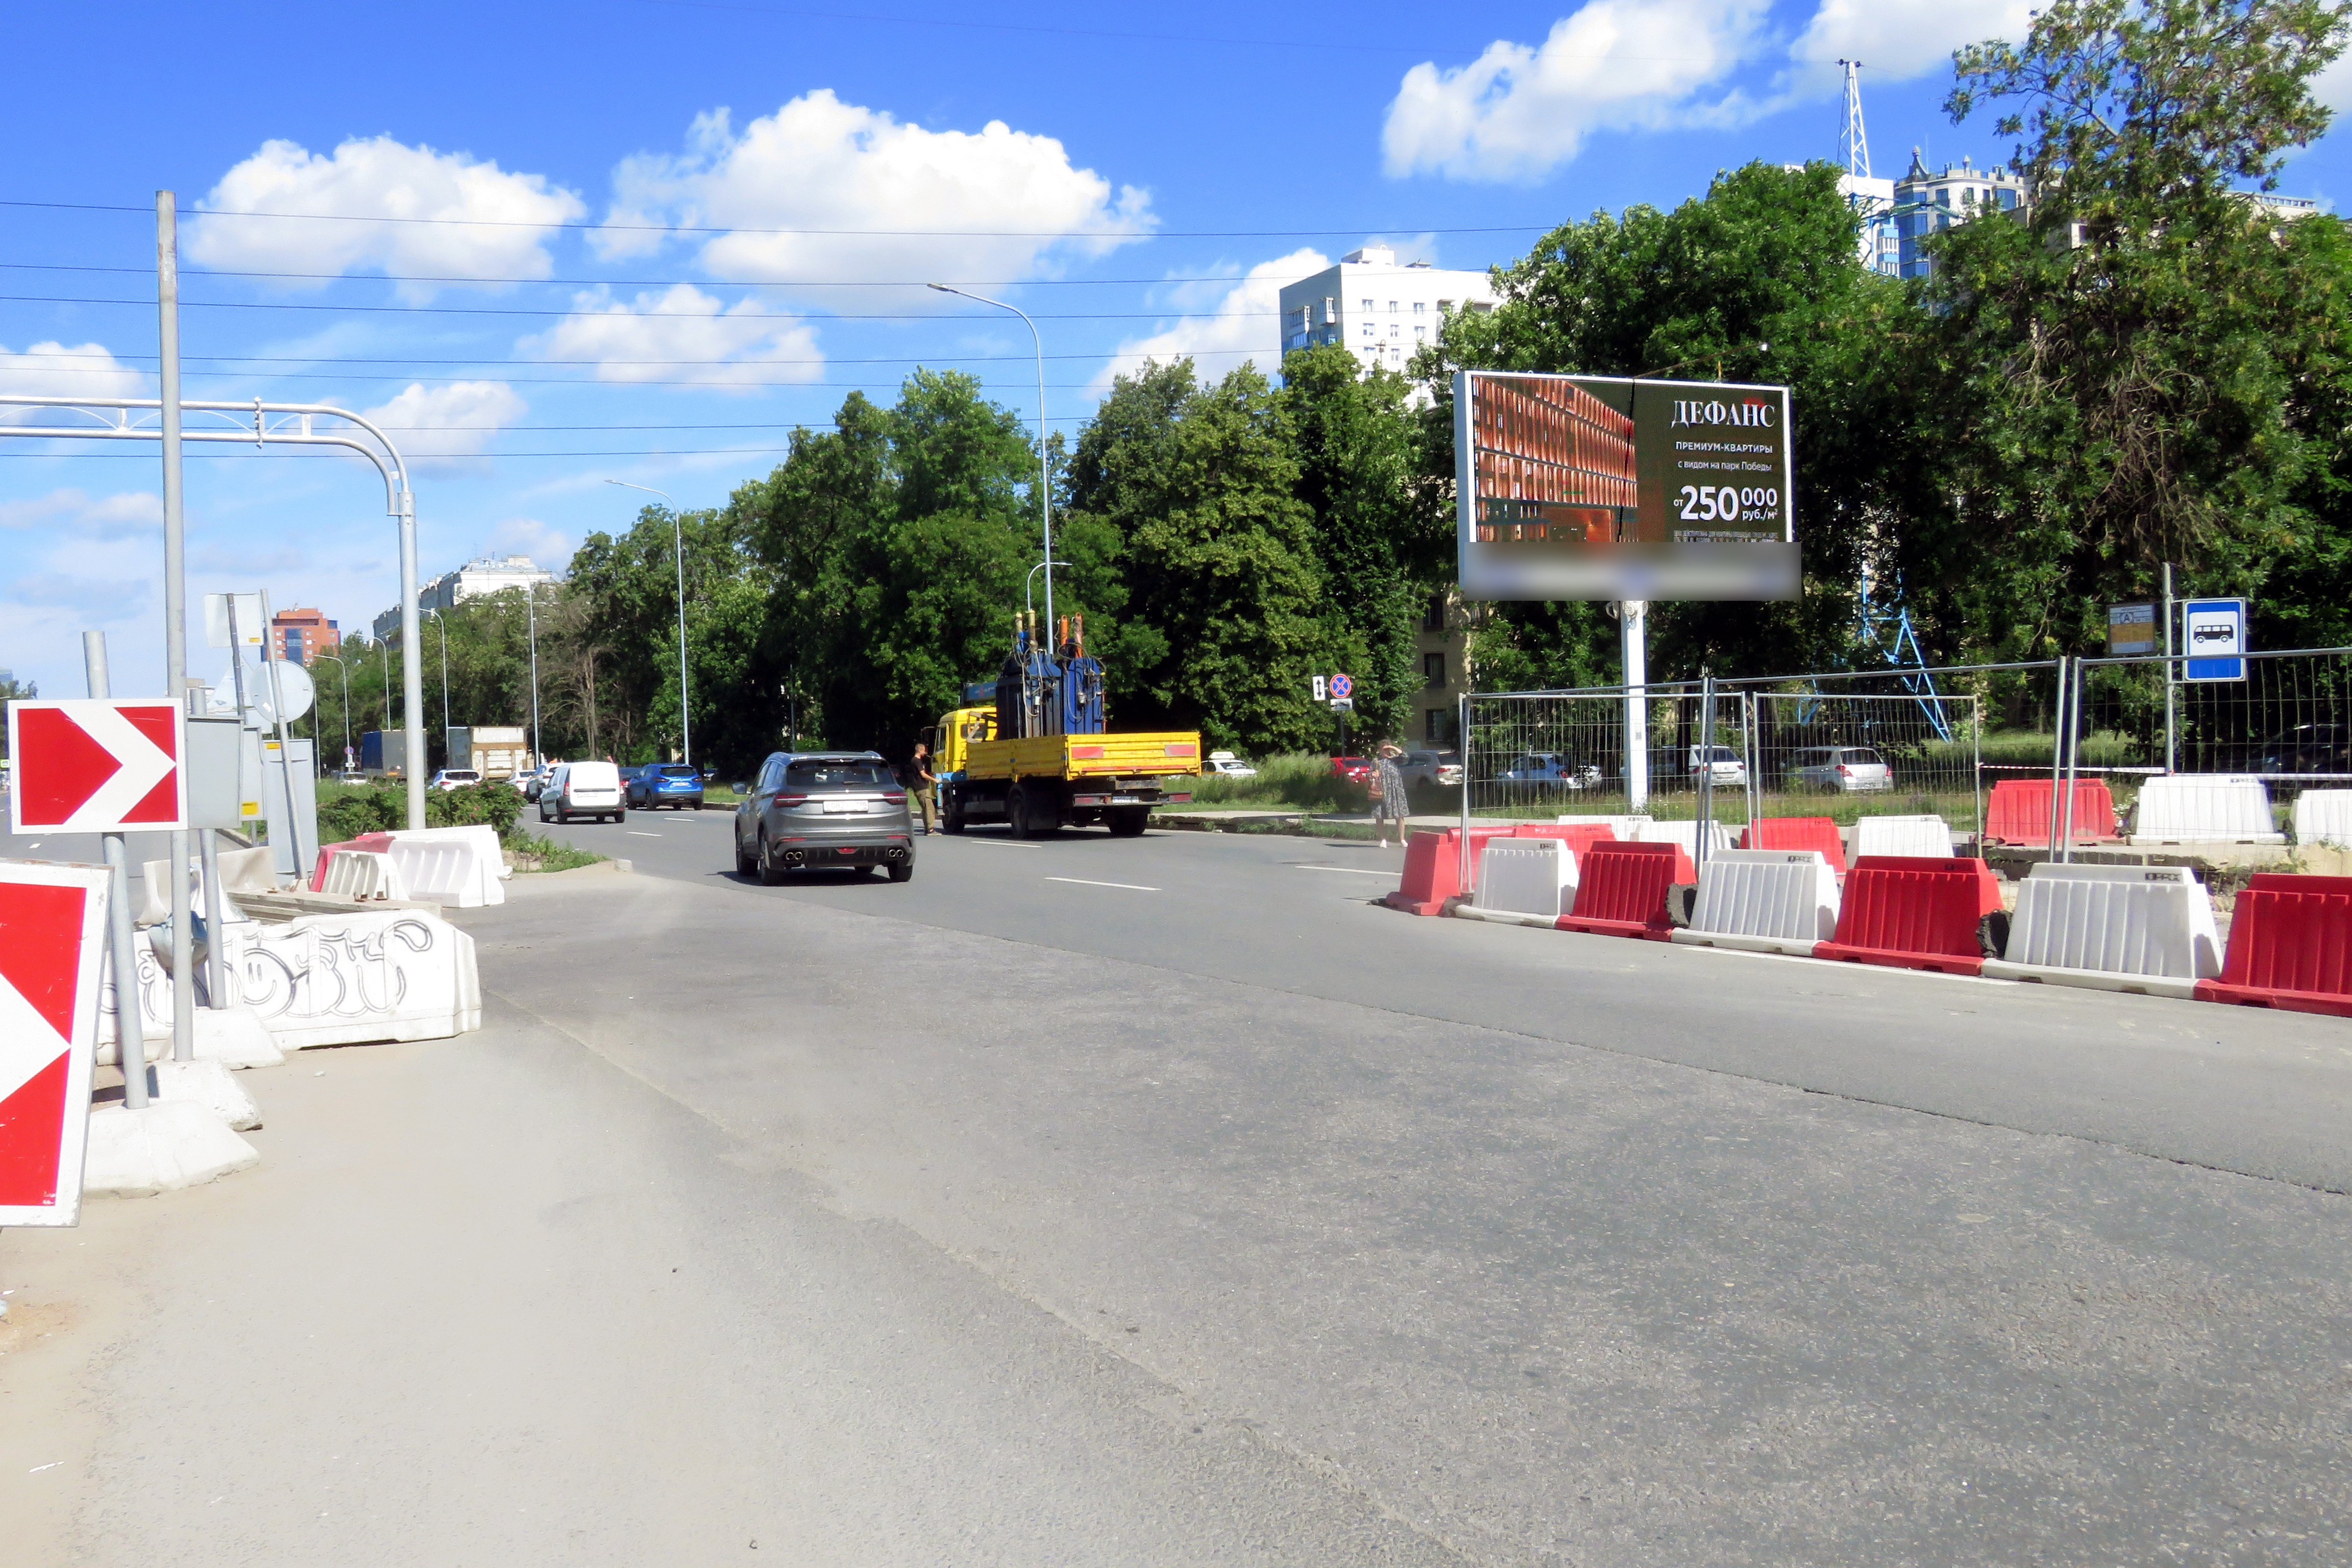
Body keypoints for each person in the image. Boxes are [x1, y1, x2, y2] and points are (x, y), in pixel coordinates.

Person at [1370, 743, 1409, 848]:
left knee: (1399, 815)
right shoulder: (1376, 762)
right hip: (1381, 792)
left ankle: (1402, 839)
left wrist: (1393, 748)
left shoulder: (1395, 760)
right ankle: (1383, 839)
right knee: (1379, 816)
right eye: (1385, 750)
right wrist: (1373, 775)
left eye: (1389, 750)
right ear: (1380, 750)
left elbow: (1405, 757)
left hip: (1395, 791)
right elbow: (1369, 774)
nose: (1387, 752)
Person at [909, 741, 939, 835]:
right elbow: (922, 775)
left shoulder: (915, 761)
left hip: (919, 788)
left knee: (926, 809)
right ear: (920, 750)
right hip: (922, 788)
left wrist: (931, 775)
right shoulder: (917, 761)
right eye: (924, 751)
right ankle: (931, 830)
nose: (925, 753)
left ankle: (928, 829)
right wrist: (934, 780)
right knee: (929, 809)